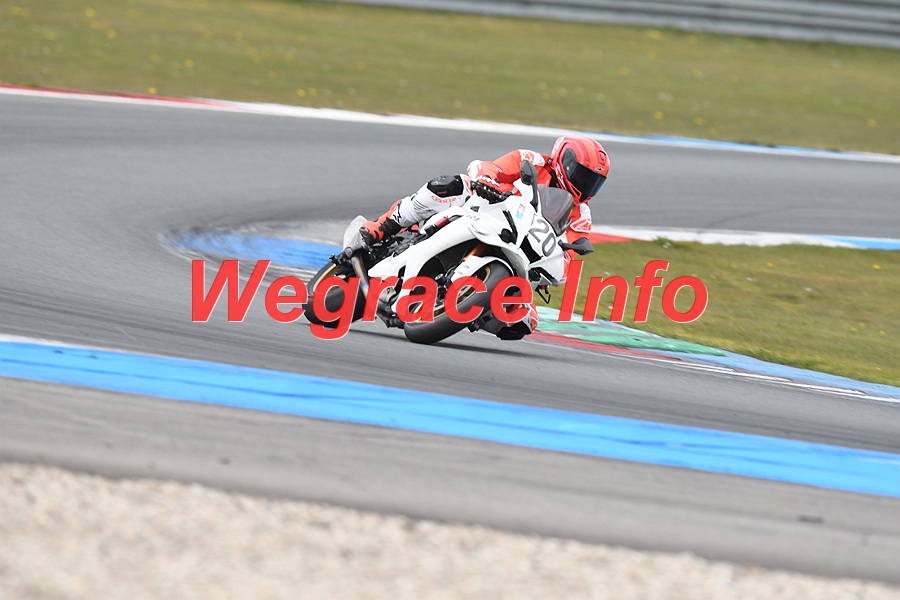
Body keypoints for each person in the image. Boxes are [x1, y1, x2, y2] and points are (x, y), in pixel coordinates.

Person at [359, 135, 611, 339]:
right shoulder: (532, 161)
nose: (586, 185)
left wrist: (549, 270)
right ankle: (380, 227)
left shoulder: (581, 216)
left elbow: (566, 261)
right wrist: (487, 180)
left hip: (517, 253)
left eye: (594, 182)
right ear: (565, 161)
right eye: (583, 175)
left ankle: (461, 307)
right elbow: (488, 167)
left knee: (523, 319)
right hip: (485, 211)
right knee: (449, 186)